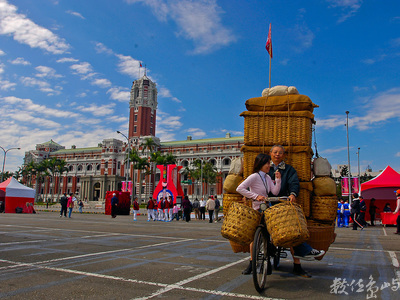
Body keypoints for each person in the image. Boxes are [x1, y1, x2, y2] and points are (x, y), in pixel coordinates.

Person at [267, 145, 325, 278]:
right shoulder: (265, 168)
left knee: (291, 229)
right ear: (270, 153)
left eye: (280, 153)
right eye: (275, 152)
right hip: (266, 202)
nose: (277, 155)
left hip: (284, 203)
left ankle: (298, 265)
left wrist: (292, 194)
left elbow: (294, 183)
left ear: (284, 155)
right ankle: (252, 262)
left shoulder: (289, 170)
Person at [236, 153, 282, 275]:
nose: (269, 165)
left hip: (267, 208)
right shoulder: (254, 177)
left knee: (270, 234)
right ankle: (252, 263)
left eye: (269, 163)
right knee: (254, 238)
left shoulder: (267, 177)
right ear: (261, 163)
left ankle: (268, 258)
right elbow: (240, 188)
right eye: (267, 163)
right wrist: (256, 196)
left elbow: (275, 192)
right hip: (257, 209)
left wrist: (278, 179)